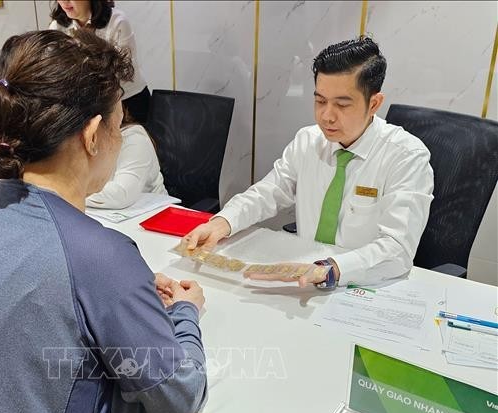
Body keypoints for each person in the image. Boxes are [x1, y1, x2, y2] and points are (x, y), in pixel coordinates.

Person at [0, 30, 207, 413]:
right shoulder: (101, 256)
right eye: (119, 125)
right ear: (93, 133)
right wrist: (186, 313)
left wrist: (115, 291)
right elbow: (179, 394)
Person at [184, 36, 434, 289]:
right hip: (304, 280)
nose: (326, 116)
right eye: (320, 101)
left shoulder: (407, 156)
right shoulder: (308, 141)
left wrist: (331, 269)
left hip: (367, 285)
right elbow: (268, 192)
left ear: (374, 103)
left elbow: (398, 249)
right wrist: (223, 222)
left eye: (342, 104)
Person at [49, 0, 151, 123]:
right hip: (89, 107)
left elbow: (123, 71)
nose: (64, 2)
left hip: (129, 101)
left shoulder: (117, 21)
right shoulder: (56, 28)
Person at [86, 106, 167, 209]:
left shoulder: (135, 138)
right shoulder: (80, 141)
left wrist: (70, 190)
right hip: (107, 215)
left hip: (155, 215)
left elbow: (121, 195)